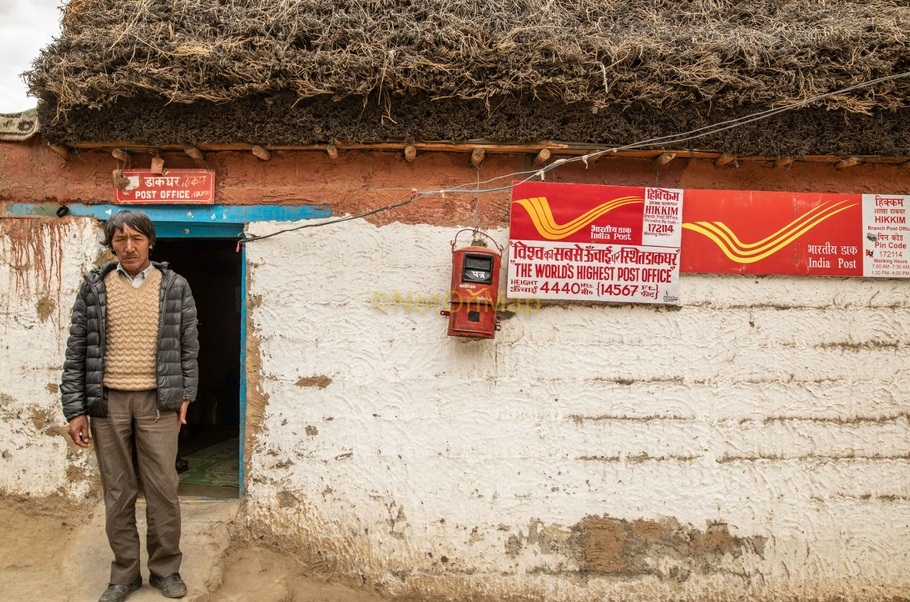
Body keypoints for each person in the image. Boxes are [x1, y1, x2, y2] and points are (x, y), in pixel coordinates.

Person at [62, 211, 199, 602]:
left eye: (136, 238)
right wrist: (75, 410)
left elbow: (189, 347)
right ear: (111, 246)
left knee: (163, 489)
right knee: (118, 491)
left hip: (159, 401)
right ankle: (124, 574)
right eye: (119, 239)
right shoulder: (94, 288)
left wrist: (185, 395)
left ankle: (165, 570)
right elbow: (77, 352)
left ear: (151, 242)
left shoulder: (175, 286)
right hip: (107, 403)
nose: (128, 246)